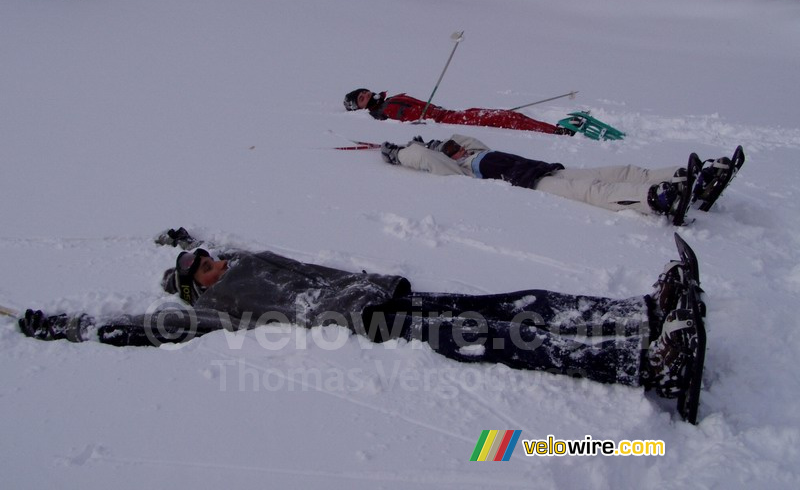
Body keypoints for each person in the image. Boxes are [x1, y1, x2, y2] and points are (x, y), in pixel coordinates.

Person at [17, 228, 706, 421]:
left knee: (509, 303)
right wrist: (68, 325)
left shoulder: (244, 258)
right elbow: (142, 328)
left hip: (380, 293)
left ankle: (640, 314)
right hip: (365, 326)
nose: (208, 261)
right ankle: (645, 366)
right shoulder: (210, 311)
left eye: (203, 254)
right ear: (191, 287)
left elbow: (216, 238)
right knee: (503, 340)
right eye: (196, 265)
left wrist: (182, 234)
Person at [380, 134, 741, 224]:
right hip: (531, 183)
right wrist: (403, 151)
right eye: (450, 149)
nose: (457, 149)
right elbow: (424, 158)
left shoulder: (474, 151)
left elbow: (467, 140)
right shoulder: (457, 170)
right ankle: (657, 198)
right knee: (593, 190)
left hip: (547, 168)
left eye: (454, 145)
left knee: (622, 170)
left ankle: (693, 178)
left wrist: (445, 141)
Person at [343, 88, 570, 135]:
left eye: (364, 92)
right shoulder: (382, 113)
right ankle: (556, 132)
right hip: (448, 121)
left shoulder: (389, 100)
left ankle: (553, 129)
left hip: (449, 114)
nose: (367, 95)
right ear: (358, 108)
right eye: (361, 99)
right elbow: (411, 123)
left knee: (508, 116)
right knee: (507, 119)